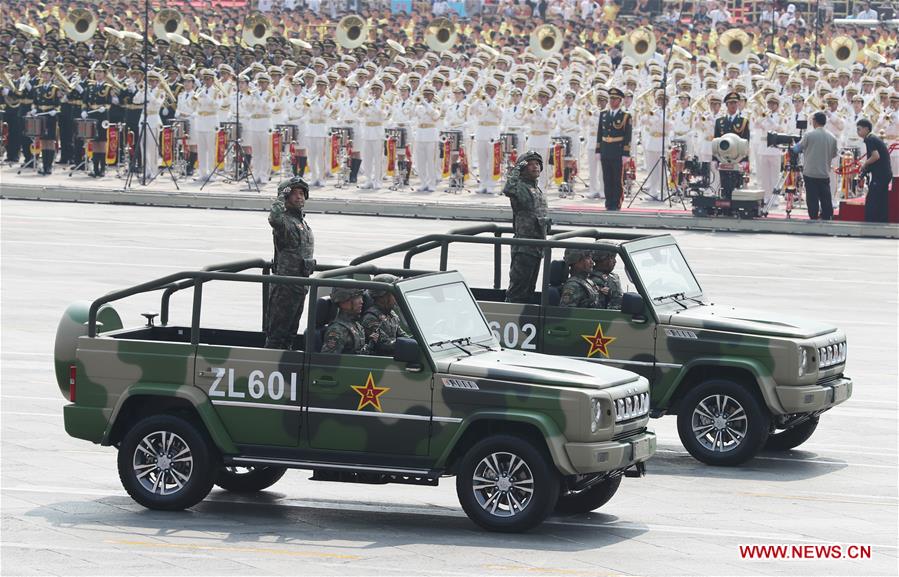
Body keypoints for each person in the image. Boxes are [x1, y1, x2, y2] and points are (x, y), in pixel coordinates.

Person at [265, 177, 315, 349]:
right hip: (284, 288)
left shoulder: (301, 222)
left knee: (291, 334)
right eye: (294, 194)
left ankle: (285, 369)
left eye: (301, 193)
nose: (299, 197)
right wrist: (279, 200)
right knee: (278, 336)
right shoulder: (285, 220)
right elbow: (274, 220)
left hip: (299, 287)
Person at [504, 150, 549, 304]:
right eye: (530, 164)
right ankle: (511, 314)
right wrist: (516, 169)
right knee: (518, 289)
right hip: (524, 246)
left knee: (529, 288)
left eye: (537, 164)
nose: (535, 167)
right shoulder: (520, 186)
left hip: (537, 246)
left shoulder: (536, 189)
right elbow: (508, 189)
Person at [792, 111, 838, 220]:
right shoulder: (832, 137)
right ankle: (827, 216)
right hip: (824, 172)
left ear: (815, 121)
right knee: (825, 197)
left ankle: (813, 217)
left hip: (810, 172)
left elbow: (797, 149)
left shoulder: (809, 135)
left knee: (812, 198)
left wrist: (793, 144)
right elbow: (834, 153)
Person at [596, 87, 632, 211]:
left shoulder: (625, 116)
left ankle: (616, 203)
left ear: (620, 101)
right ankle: (608, 202)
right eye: (610, 98)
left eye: (614, 99)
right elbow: (600, 133)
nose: (612, 101)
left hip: (617, 150)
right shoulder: (604, 114)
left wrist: (625, 153)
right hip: (606, 150)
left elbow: (627, 136)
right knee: (607, 178)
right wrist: (598, 150)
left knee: (617, 179)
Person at [361, 274, 411, 356]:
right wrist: (407, 344)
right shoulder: (371, 318)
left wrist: (415, 342)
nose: (397, 297)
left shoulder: (391, 314)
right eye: (393, 294)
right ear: (383, 296)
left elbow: (401, 335)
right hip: (380, 361)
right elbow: (383, 344)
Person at [856, 119, 891, 223]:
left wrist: (865, 164)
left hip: (880, 175)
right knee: (881, 200)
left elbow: (875, 156)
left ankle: (870, 222)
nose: (857, 132)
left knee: (872, 199)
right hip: (884, 174)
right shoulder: (872, 138)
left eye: (859, 129)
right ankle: (881, 221)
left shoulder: (870, 139)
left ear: (866, 129)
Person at [321, 286, 371, 354]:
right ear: (343, 302)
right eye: (357, 297)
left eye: (361, 297)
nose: (361, 301)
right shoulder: (337, 330)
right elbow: (327, 360)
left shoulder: (355, 324)